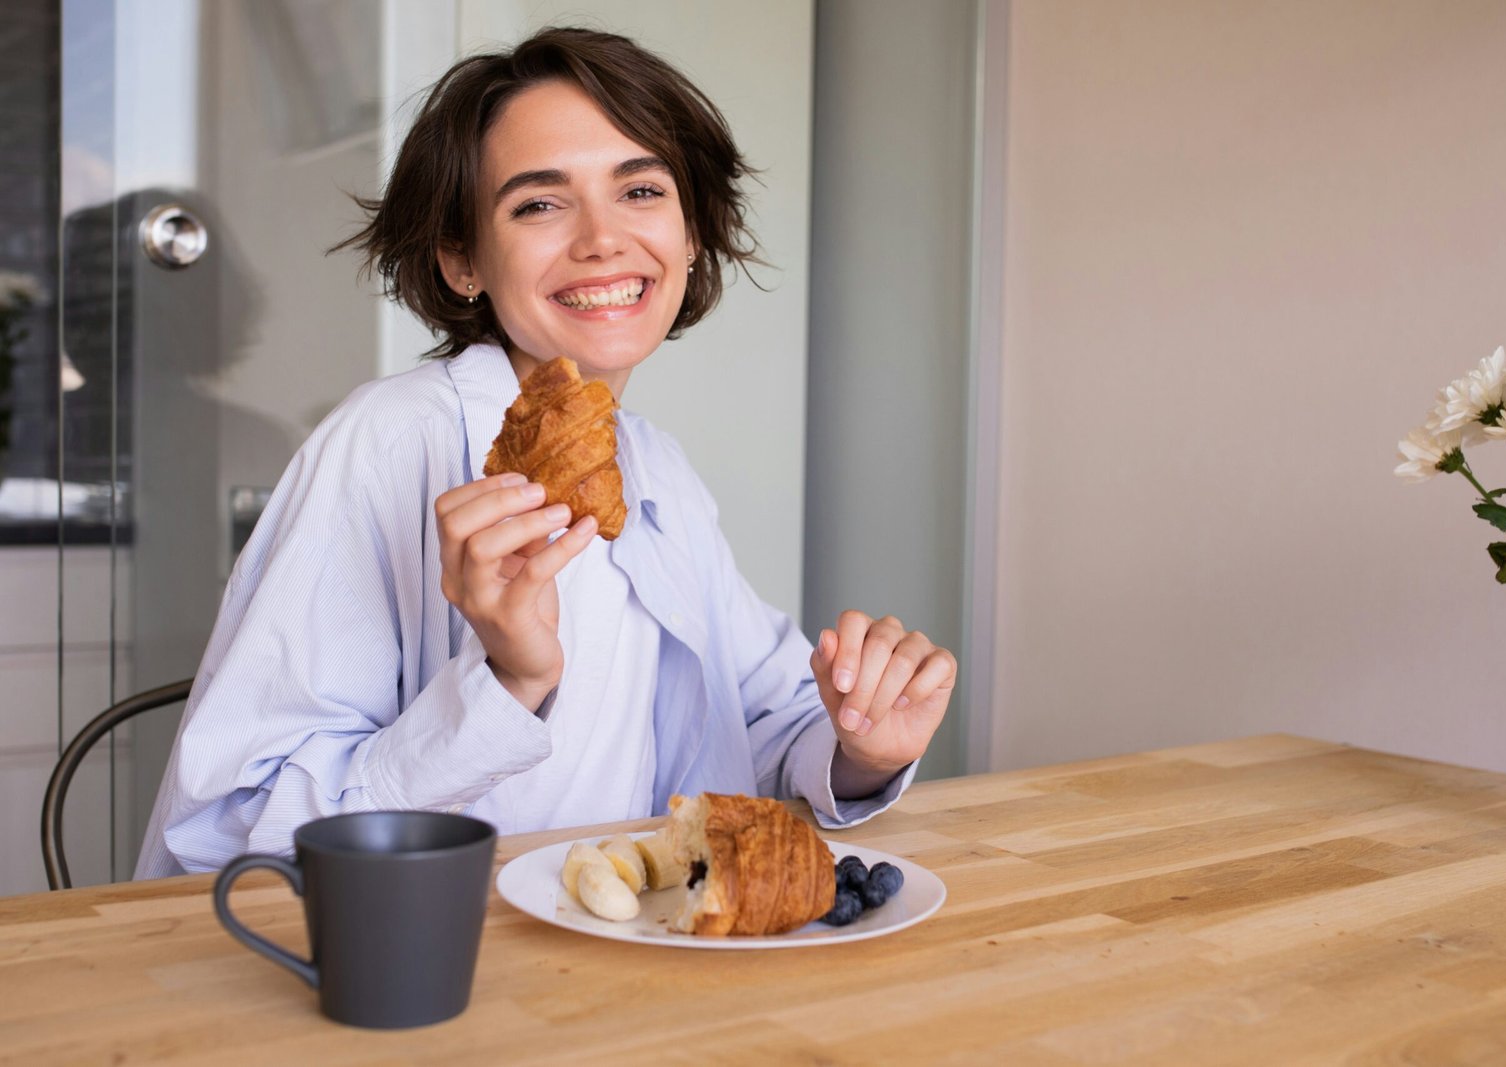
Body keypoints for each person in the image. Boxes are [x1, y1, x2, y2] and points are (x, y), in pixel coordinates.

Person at [135, 26, 956, 878]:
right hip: (439, 975)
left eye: (641, 190)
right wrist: (506, 681)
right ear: (462, 259)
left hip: (634, 970)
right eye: (538, 203)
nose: (603, 239)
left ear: (690, 232)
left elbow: (762, 712)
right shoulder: (391, 444)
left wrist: (864, 737)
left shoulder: (655, 466)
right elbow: (236, 826)